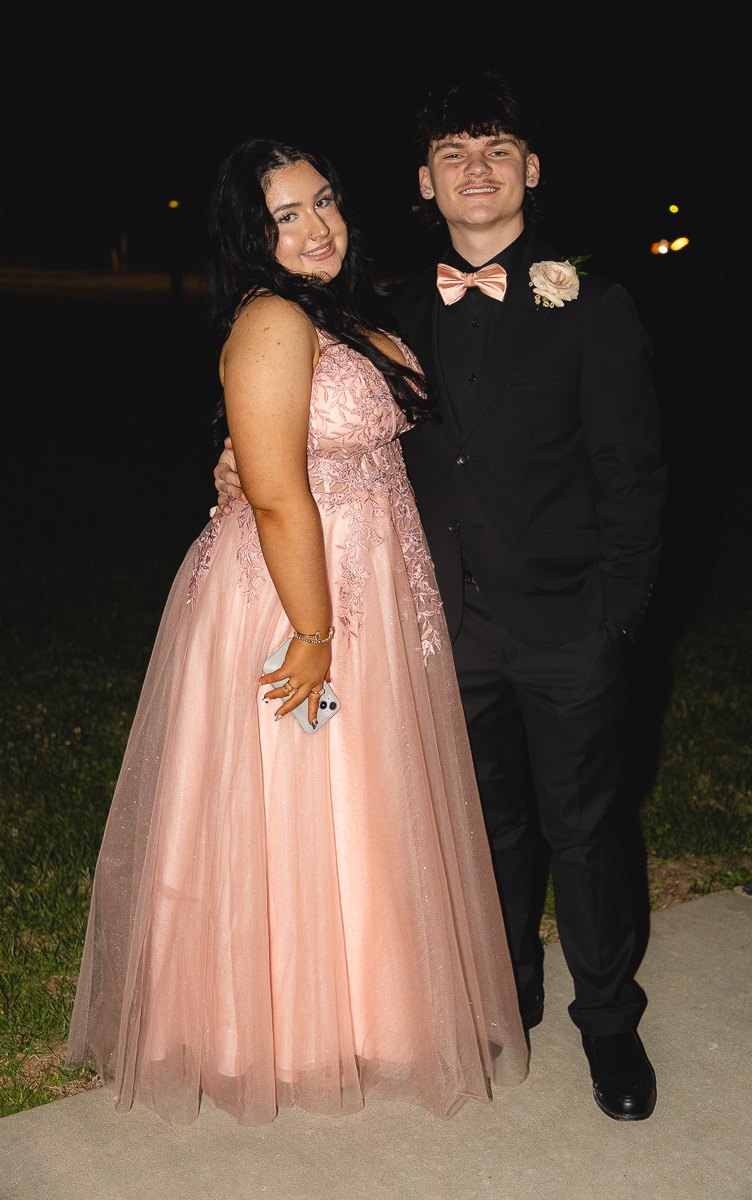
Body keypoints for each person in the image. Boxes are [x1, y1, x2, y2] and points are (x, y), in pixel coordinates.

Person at [215, 77, 667, 1122]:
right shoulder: (381, 310)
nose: (475, 169)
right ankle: (502, 996)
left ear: (531, 171)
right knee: (478, 828)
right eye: (452, 153)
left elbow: (635, 475)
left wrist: (615, 619)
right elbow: (304, 423)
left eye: (497, 149)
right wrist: (233, 466)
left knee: (586, 832)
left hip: (565, 625)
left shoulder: (594, 305)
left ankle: (609, 1024)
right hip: (434, 630)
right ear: (422, 182)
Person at [67, 138, 529, 1127]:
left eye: (324, 202)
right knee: (295, 797)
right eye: (287, 215)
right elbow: (277, 495)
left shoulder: (339, 312)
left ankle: (364, 1012)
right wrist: (315, 634)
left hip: (362, 580)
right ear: (251, 235)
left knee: (357, 802)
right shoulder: (272, 318)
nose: (317, 226)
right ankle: (272, 1029)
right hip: (295, 596)